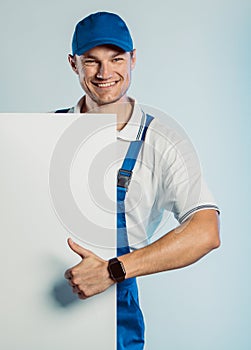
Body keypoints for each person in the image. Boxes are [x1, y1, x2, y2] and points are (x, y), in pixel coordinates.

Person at [60, 11, 221, 350]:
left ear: (133, 60)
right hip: (30, 309)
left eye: (116, 59)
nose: (105, 73)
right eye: (92, 61)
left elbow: (205, 232)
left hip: (113, 315)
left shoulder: (163, 142)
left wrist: (113, 271)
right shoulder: (41, 133)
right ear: (74, 64)